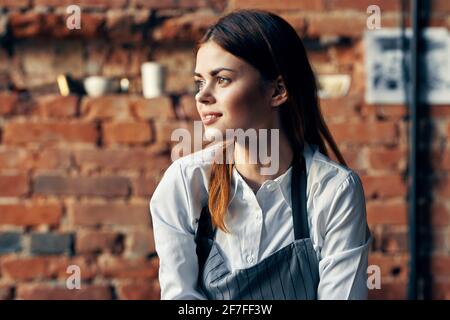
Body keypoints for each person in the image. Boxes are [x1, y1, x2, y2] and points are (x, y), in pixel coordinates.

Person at [149, 9, 372, 300]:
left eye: (223, 80)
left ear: (278, 90)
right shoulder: (184, 183)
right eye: (200, 82)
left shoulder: (334, 192)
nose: (201, 96)